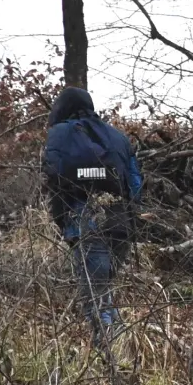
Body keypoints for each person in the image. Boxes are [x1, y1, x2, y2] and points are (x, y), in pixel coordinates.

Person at [41, 86, 143, 345]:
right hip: (121, 225)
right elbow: (135, 183)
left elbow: (53, 178)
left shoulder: (60, 133)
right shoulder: (117, 136)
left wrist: (62, 220)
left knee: (95, 298)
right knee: (106, 290)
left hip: (84, 223)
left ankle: (108, 362)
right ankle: (123, 353)